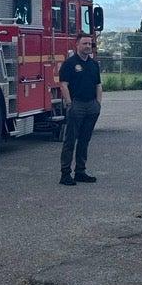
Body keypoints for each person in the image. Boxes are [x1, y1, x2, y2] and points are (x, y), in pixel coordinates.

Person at [58, 33, 103, 187]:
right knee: (70, 140)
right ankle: (65, 173)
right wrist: (70, 104)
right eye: (84, 43)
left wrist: (98, 104)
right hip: (76, 105)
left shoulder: (93, 64)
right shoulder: (69, 64)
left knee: (84, 140)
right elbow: (63, 84)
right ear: (77, 45)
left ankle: (80, 171)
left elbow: (98, 85)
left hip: (91, 106)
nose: (88, 46)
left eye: (90, 44)